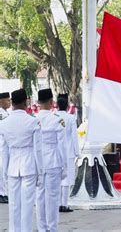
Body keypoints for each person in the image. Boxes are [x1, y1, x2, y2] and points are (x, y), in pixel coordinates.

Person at [0, 89, 44, 231]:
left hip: (12, 166)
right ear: (26, 102)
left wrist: (4, 172)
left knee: (13, 204)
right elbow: (38, 150)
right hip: (29, 164)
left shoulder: (4, 123)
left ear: (12, 102)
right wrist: (40, 171)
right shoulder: (32, 121)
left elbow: (3, 150)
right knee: (27, 204)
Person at [36, 88, 68, 232]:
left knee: (40, 196)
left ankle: (42, 228)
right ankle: (52, 228)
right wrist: (65, 165)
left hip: (38, 162)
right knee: (53, 196)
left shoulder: (33, 120)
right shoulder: (56, 120)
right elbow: (62, 145)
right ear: (51, 102)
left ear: (38, 103)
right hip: (53, 161)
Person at [55, 94, 79, 213]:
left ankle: (58, 203)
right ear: (66, 105)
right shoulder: (70, 118)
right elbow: (74, 136)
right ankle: (64, 204)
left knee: (57, 179)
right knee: (67, 180)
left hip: (55, 152)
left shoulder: (53, 117)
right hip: (68, 151)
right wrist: (77, 152)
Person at [0, 91, 11, 204]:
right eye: (7, 100)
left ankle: (3, 192)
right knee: (2, 168)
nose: (10, 102)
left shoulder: (5, 113)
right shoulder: (1, 114)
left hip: (4, 145)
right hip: (2, 145)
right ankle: (2, 193)